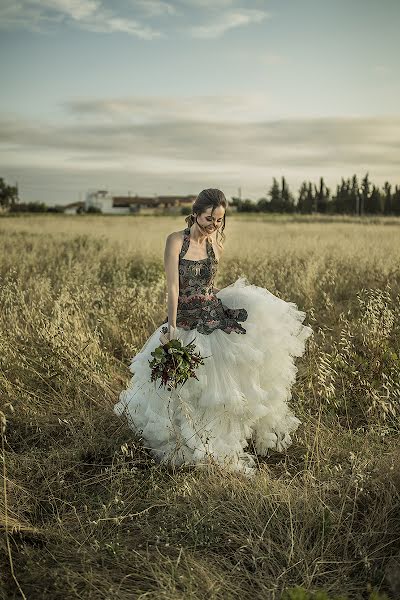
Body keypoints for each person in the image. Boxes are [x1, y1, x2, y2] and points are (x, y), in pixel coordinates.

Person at [114, 188, 313, 477]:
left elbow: (209, 288)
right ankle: (184, 443)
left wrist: (237, 301)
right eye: (209, 218)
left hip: (212, 318)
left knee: (219, 388)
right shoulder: (175, 242)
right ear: (196, 213)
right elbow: (173, 287)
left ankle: (215, 444)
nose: (213, 225)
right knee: (183, 383)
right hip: (184, 319)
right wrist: (170, 325)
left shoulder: (215, 245)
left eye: (219, 220)